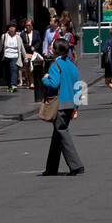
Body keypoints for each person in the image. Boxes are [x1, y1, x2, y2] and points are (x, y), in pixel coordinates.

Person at [41, 40, 84, 176]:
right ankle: (51, 168)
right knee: (57, 135)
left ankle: (76, 165)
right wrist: (76, 107)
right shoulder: (72, 66)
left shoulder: (55, 65)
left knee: (62, 132)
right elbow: (79, 87)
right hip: (71, 103)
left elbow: (54, 84)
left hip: (60, 104)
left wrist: (44, 79)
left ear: (55, 51)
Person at [0, 21, 28, 93]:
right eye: (10, 27)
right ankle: (10, 86)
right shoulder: (4, 36)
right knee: (8, 73)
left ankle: (14, 86)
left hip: (15, 56)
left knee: (14, 70)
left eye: (13, 27)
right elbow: (0, 47)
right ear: (8, 28)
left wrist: (25, 58)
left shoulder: (18, 38)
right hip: (6, 56)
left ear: (15, 28)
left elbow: (22, 48)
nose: (12, 28)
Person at [20, 19, 42, 91]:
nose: (28, 27)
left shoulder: (36, 33)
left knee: (33, 67)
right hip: (26, 52)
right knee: (27, 65)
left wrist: (35, 47)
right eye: (26, 25)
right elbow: (22, 44)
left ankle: (32, 82)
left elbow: (39, 41)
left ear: (32, 26)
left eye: (29, 25)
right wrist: (30, 47)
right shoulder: (23, 34)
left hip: (34, 53)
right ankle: (29, 81)